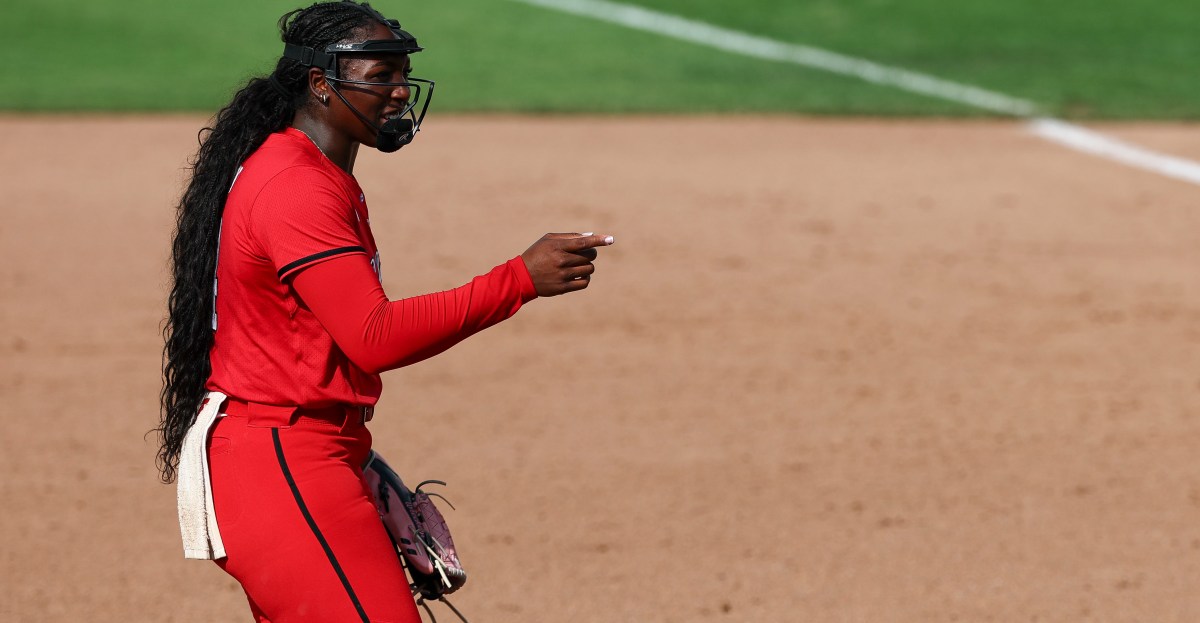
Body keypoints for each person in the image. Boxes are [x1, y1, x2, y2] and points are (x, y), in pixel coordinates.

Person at [155, 2, 613, 621]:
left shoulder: (311, 172)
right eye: (381, 76)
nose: (400, 91)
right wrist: (518, 279)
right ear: (321, 83)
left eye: (403, 75)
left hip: (302, 451)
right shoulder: (296, 187)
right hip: (281, 464)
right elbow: (373, 338)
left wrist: (354, 457)